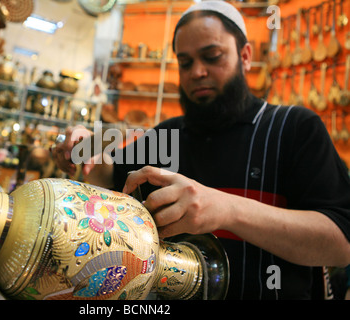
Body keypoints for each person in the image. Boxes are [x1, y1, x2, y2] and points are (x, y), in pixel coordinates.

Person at [52, 0, 350, 299]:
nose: (197, 72)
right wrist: (84, 146)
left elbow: (342, 243)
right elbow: (107, 175)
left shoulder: (293, 129)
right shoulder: (170, 136)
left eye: (212, 56)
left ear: (245, 56)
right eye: (185, 62)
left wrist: (227, 209)